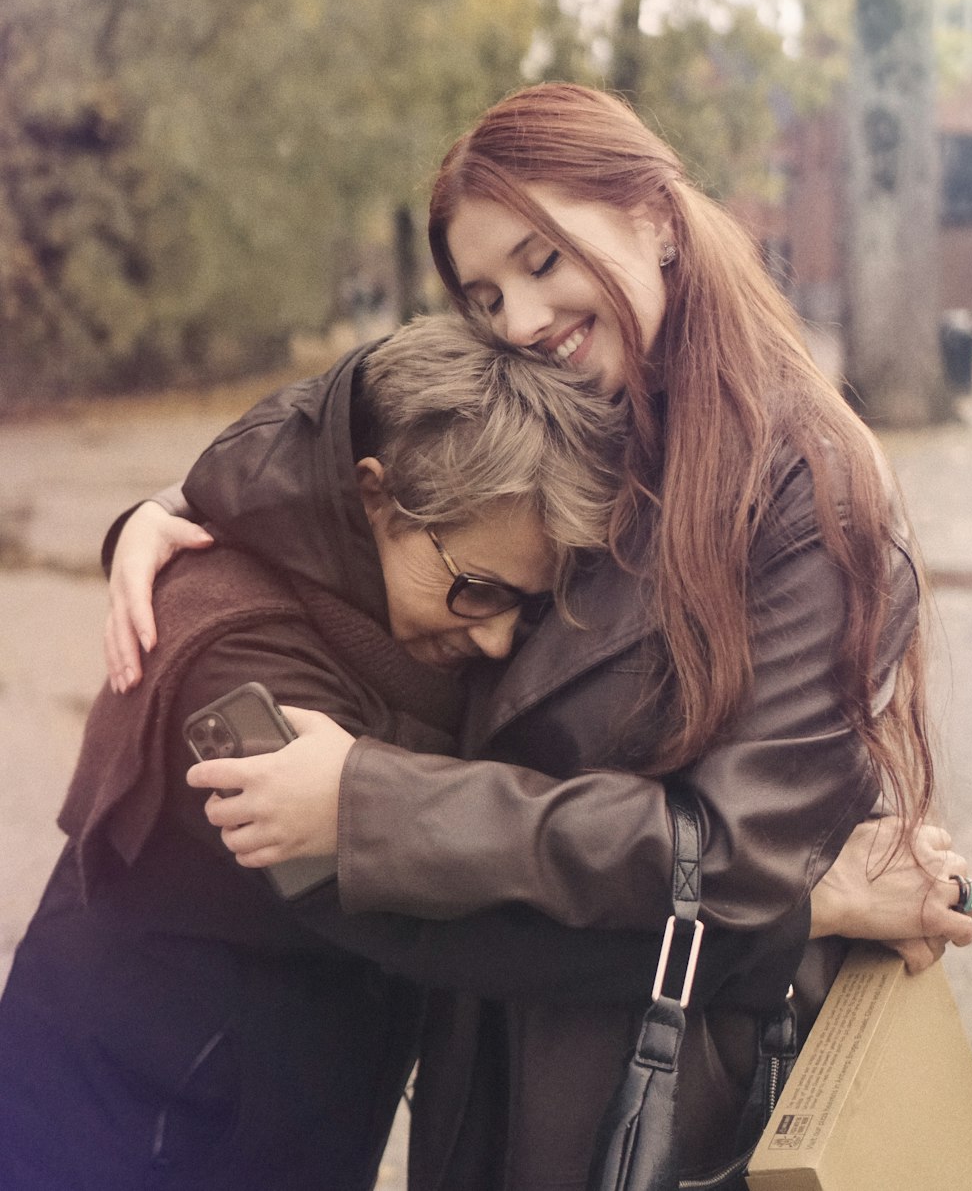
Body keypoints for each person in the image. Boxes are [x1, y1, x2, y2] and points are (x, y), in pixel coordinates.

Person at [101, 84, 972, 1191]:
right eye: (482, 293)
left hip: (670, 1081)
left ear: (656, 220)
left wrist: (369, 802)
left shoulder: (802, 491)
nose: (517, 319)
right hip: (488, 1057)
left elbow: (737, 857)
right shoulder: (566, 419)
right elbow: (338, 432)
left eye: (540, 259)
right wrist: (168, 511)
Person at [0, 313, 651, 1191]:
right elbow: (439, 918)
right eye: (477, 591)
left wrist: (162, 503)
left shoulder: (377, 604)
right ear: (372, 496)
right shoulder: (235, 671)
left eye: (525, 608)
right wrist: (752, 922)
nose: (498, 643)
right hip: (131, 1138)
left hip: (261, 1122)